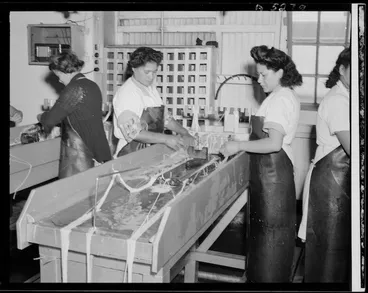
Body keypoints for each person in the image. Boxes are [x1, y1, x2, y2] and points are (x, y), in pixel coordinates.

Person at [219, 45, 303, 283]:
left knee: (269, 247)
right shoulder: (278, 96)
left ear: (280, 72)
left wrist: (237, 146)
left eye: (264, 74)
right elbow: (264, 137)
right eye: (258, 74)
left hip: (273, 180)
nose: (259, 79)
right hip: (270, 178)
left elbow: (273, 143)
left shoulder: (280, 100)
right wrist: (241, 140)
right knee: (266, 246)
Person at [298, 47, 351, 283]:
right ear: (342, 69)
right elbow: (354, 150)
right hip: (329, 185)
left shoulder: (348, 97)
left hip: (338, 183)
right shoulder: (338, 101)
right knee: (327, 257)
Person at [37, 51, 111, 178]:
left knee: (74, 191)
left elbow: (50, 120)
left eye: (58, 75)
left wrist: (41, 116)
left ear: (64, 71)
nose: (59, 80)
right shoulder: (92, 85)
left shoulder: (74, 89)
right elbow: (79, 115)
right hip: (97, 146)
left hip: (81, 150)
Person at [113, 47, 195, 157]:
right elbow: (134, 132)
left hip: (151, 151)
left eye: (154, 72)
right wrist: (166, 139)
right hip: (130, 154)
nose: (151, 77)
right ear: (133, 68)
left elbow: (165, 119)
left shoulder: (150, 88)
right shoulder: (127, 94)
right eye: (147, 72)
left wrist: (184, 132)